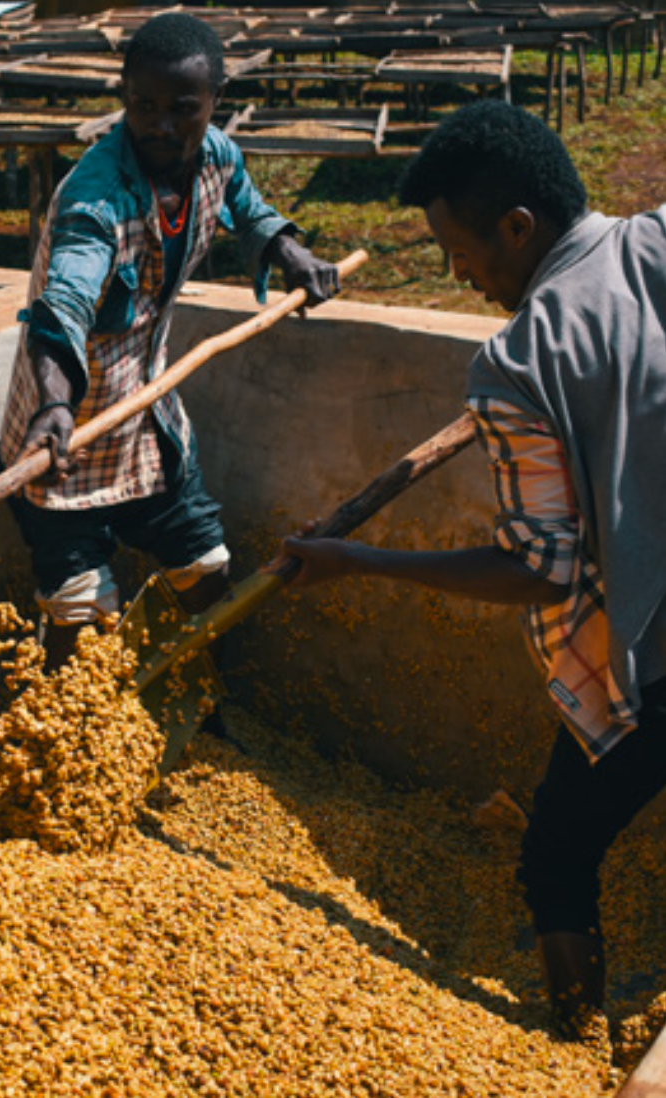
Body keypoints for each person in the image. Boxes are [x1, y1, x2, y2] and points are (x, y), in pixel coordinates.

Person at [281, 99, 666, 1040]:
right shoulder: (658, 239)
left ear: (518, 227)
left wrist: (357, 560)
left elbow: (540, 571)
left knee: (556, 855)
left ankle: (569, 1045)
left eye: (462, 255)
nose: (461, 279)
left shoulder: (518, 362)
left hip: (656, 658)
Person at [0, 11, 340, 671]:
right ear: (124, 99)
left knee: (205, 565)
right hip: (66, 428)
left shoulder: (216, 154)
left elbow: (247, 206)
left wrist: (287, 249)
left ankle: (204, 708)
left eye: (181, 109)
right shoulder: (94, 205)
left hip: (149, 413)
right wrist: (54, 404)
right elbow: (60, 309)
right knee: (80, 603)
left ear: (214, 103)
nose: (159, 125)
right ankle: (61, 739)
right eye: (143, 107)